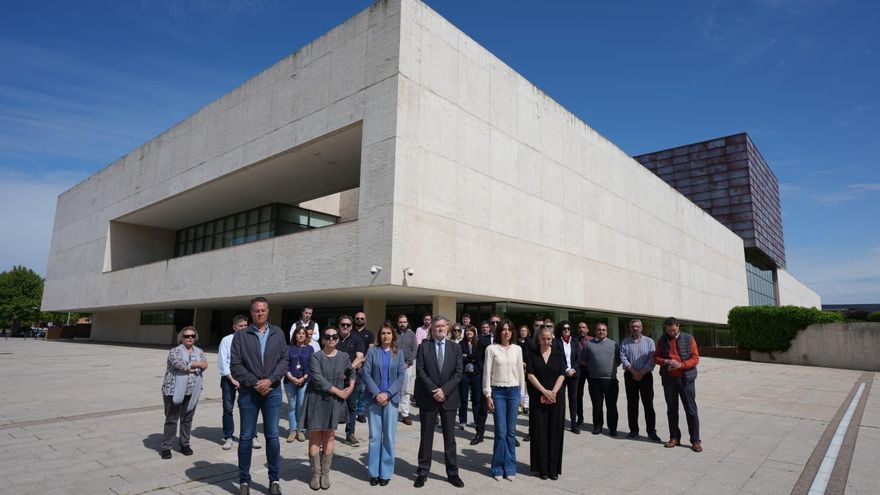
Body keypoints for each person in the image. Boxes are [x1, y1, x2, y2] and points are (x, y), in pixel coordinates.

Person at [230, 297, 289, 495]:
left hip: (272, 392)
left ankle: (274, 480)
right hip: (249, 392)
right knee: (246, 436)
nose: (260, 313)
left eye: (263, 310)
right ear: (251, 312)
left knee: (272, 436)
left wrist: (270, 380)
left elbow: (284, 360)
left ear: (268, 312)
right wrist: (256, 383)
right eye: (256, 311)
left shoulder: (278, 333)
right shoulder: (241, 335)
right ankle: (244, 481)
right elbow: (236, 365)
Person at [302, 326, 356, 490]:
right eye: (328, 336)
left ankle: (325, 473)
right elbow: (318, 379)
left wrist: (351, 387)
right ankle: (315, 474)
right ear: (323, 339)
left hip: (335, 401)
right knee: (315, 437)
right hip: (317, 400)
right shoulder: (315, 356)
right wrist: (338, 391)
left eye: (334, 336)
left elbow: (352, 372)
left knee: (330, 436)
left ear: (338, 339)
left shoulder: (344, 356)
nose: (331, 339)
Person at [414, 315, 464, 488]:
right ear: (432, 329)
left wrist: (444, 390)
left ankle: (452, 473)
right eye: (437, 326)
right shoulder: (423, 347)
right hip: (429, 398)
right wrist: (434, 390)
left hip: (449, 399)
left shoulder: (455, 348)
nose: (440, 328)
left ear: (447, 328)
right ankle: (422, 472)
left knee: (450, 438)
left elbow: (458, 373)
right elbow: (420, 370)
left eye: (443, 326)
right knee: (426, 436)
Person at [362, 323, 407, 486]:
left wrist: (387, 394)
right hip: (375, 399)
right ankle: (373, 472)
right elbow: (365, 373)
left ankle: (385, 472)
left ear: (392, 335)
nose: (385, 336)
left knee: (388, 436)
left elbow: (401, 376)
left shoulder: (398, 353)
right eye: (383, 333)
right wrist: (377, 393)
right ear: (379, 336)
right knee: (375, 437)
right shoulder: (372, 352)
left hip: (391, 400)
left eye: (388, 333)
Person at [484, 319, 525, 481]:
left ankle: (510, 467)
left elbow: (521, 374)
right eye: (503, 329)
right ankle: (497, 468)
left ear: (512, 332)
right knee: (501, 432)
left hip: (514, 392)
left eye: (509, 329)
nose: (506, 332)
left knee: (511, 432)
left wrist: (522, 397)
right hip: (498, 392)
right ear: (499, 332)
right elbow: (487, 373)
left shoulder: (517, 349)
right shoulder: (491, 349)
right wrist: (488, 395)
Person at [655, 317, 702, 452]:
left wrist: (681, 365)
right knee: (672, 410)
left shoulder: (689, 338)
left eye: (674, 330)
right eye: (669, 331)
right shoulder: (662, 339)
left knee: (691, 410)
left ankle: (695, 440)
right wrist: (666, 361)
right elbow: (655, 357)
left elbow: (695, 358)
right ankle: (674, 437)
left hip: (686, 379)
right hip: (669, 380)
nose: (672, 333)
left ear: (678, 327)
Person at [160, 326, 207, 460]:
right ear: (181, 337)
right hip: (173, 390)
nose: (190, 338)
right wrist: (196, 365)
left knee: (187, 419)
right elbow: (178, 364)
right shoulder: (174, 351)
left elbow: (205, 365)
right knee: (171, 419)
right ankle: (166, 446)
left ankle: (185, 444)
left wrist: (193, 365)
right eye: (186, 336)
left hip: (193, 391)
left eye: (192, 335)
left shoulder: (199, 351)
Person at [526, 325, 565, 480]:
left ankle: (553, 469)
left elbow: (562, 374)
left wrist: (553, 392)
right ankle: (542, 468)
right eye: (543, 338)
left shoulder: (558, 353)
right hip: (538, 397)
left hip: (556, 397)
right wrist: (544, 391)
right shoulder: (532, 353)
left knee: (555, 432)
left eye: (549, 339)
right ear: (539, 338)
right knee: (540, 432)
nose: (546, 341)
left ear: (552, 338)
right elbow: (530, 374)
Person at [219, 315, 261, 450]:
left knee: (249, 408)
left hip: (246, 379)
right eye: (240, 326)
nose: (243, 328)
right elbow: (223, 361)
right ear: (234, 327)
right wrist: (232, 379)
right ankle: (228, 437)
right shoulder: (227, 340)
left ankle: (252, 436)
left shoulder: (251, 339)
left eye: (245, 325)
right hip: (229, 379)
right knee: (228, 408)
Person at [620, 319, 660, 442]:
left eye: (637, 326)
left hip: (646, 376)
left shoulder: (649, 341)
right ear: (630, 328)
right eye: (633, 327)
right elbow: (623, 358)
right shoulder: (625, 342)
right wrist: (634, 372)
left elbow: (652, 359)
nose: (635, 328)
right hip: (630, 376)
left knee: (648, 404)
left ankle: (651, 431)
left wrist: (641, 372)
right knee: (632, 404)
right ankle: (633, 430)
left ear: (641, 328)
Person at [581, 322, 620, 436]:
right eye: (599, 330)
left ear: (606, 331)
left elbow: (618, 361)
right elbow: (584, 360)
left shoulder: (613, 344)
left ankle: (612, 428)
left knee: (611, 406)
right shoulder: (588, 344)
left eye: (603, 330)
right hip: (594, 380)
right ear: (595, 331)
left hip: (610, 380)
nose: (601, 332)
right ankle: (597, 426)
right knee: (597, 405)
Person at [337, 314, 366, 446]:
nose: (345, 327)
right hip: (334, 379)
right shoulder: (333, 338)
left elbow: (360, 357)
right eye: (343, 324)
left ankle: (350, 434)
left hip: (351, 379)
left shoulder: (357, 338)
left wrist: (346, 371)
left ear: (351, 326)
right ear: (339, 325)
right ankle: (329, 433)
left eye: (348, 325)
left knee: (351, 407)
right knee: (332, 406)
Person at [285, 326, 314, 443]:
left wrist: (304, 377)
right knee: (292, 406)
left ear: (306, 336)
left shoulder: (310, 348)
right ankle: (293, 430)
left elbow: (312, 365)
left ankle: (301, 430)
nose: (301, 335)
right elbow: (285, 364)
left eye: (303, 333)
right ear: (295, 335)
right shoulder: (288, 348)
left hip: (304, 380)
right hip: (290, 380)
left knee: (301, 405)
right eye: (299, 333)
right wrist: (291, 377)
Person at [458, 325, 485, 442]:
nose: (469, 333)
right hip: (465, 374)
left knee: (476, 399)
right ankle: (463, 421)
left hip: (476, 374)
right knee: (463, 398)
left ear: (474, 333)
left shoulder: (479, 343)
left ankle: (476, 420)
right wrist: (470, 358)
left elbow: (479, 356)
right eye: (467, 331)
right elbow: (459, 357)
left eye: (471, 331)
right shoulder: (460, 343)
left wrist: (467, 356)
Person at [553, 321, 581, 434]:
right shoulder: (556, 342)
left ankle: (573, 424)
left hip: (574, 374)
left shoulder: (574, 341)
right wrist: (566, 370)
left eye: (568, 328)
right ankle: (559, 423)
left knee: (573, 399)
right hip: (562, 375)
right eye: (564, 328)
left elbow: (578, 357)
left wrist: (573, 369)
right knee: (561, 399)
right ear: (561, 330)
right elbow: (556, 357)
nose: (566, 330)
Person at [395, 314, 417, 425]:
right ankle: (393, 413)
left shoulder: (412, 334)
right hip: (394, 366)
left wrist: (407, 362)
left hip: (407, 366)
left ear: (407, 323)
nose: (402, 324)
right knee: (394, 389)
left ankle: (405, 414)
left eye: (404, 322)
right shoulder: (393, 333)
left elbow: (414, 350)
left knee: (405, 391)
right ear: (397, 323)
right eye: (400, 322)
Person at [353, 311, 373, 424]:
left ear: (365, 320)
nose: (360, 320)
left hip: (364, 367)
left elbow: (370, 350)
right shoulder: (351, 332)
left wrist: (361, 362)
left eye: (362, 318)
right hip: (351, 366)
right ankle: (348, 412)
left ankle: (360, 413)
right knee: (350, 390)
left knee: (361, 391)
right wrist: (355, 364)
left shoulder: (369, 334)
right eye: (357, 318)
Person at [573, 321, 590, 428]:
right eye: (579, 327)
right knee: (578, 395)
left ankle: (597, 421)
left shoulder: (593, 340)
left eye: (584, 327)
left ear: (587, 329)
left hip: (592, 370)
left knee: (595, 396)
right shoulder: (574, 341)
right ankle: (580, 418)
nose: (582, 329)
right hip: (579, 370)